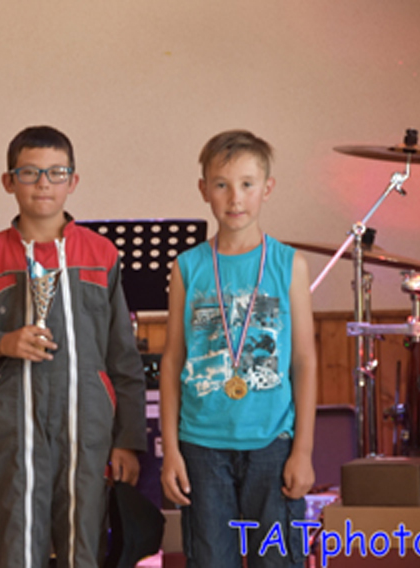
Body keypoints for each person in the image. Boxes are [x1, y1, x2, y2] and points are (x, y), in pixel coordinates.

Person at [0, 125, 147, 568]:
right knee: (16, 542)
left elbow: (123, 357)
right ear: (8, 181)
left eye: (56, 173)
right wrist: (3, 342)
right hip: (15, 426)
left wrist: (128, 439)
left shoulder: (102, 255)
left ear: (73, 181)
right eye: (30, 172)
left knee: (84, 543)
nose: (43, 183)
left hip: (88, 426)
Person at [159, 130, 317, 567]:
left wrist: (303, 451)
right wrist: (170, 450)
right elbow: (172, 361)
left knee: (278, 560)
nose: (235, 198)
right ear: (203, 189)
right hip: (201, 445)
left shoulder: (290, 265)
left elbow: (304, 361)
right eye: (222, 184)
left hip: (273, 443)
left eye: (247, 184)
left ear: (267, 188)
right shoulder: (187, 266)